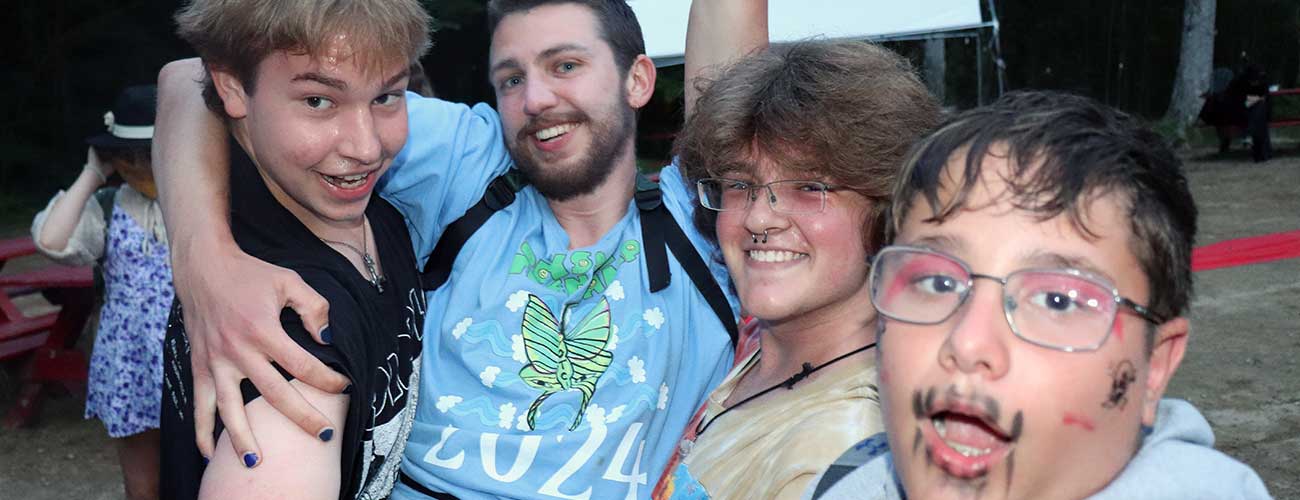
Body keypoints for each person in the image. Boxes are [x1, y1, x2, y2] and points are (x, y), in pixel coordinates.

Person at [152, 1, 748, 498]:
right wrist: (206, 260)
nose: (535, 98)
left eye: (565, 65)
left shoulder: (711, 217)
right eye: (512, 78)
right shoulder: (471, 166)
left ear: (638, 79)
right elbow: (193, 79)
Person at [810, 91, 1272, 499]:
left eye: (1057, 300)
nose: (968, 344)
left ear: (1154, 368)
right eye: (937, 282)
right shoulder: (842, 483)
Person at [650, 2, 940, 497]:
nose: (760, 218)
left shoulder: (844, 452)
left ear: (887, 206)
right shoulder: (761, 344)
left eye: (810, 186)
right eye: (740, 185)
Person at [156, 1, 431, 499]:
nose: (367, 147)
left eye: (388, 96)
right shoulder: (291, 328)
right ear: (232, 88)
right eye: (318, 102)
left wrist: (200, 253)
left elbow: (182, 76)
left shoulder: (367, 211)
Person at [31, 84, 169, 500]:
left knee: (203, 477)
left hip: (195, 354)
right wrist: (92, 176)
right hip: (129, 361)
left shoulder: (206, 199)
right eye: (127, 156)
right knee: (143, 487)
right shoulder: (108, 206)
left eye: (150, 153)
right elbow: (53, 241)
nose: (140, 166)